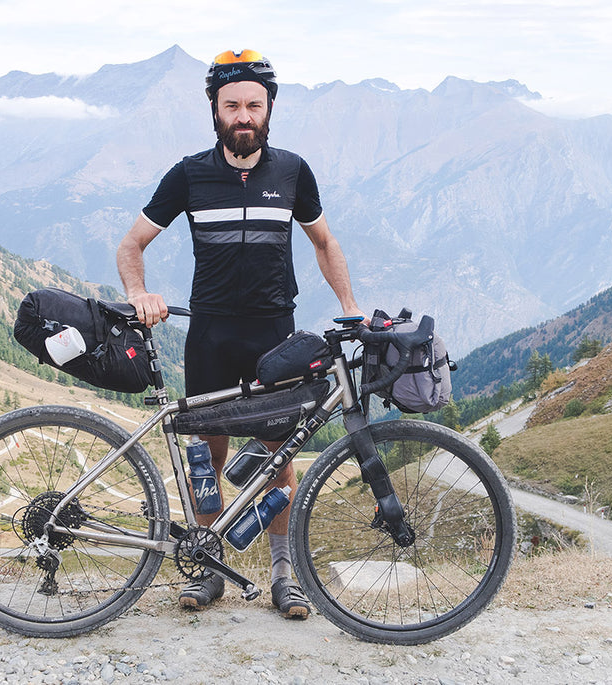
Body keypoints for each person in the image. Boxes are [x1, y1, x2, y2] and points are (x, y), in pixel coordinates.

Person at [116, 49, 365, 619]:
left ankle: (283, 571)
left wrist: (350, 305)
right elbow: (131, 246)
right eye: (233, 105)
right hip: (210, 332)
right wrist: (138, 295)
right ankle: (207, 570)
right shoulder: (189, 174)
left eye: (254, 104)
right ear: (215, 110)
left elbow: (324, 243)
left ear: (269, 109)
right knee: (207, 455)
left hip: (275, 333)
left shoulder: (292, 171)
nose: (244, 114)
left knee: (279, 454)